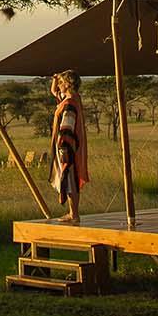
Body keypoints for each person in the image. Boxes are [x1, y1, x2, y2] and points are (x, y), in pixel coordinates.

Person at [48, 70, 89, 223]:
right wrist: (55, 78)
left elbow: (67, 127)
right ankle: (73, 213)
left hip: (67, 147)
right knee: (69, 178)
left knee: (70, 178)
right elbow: (54, 91)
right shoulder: (74, 98)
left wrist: (63, 147)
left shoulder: (69, 103)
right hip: (70, 146)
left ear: (68, 84)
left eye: (61, 83)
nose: (58, 86)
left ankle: (74, 214)